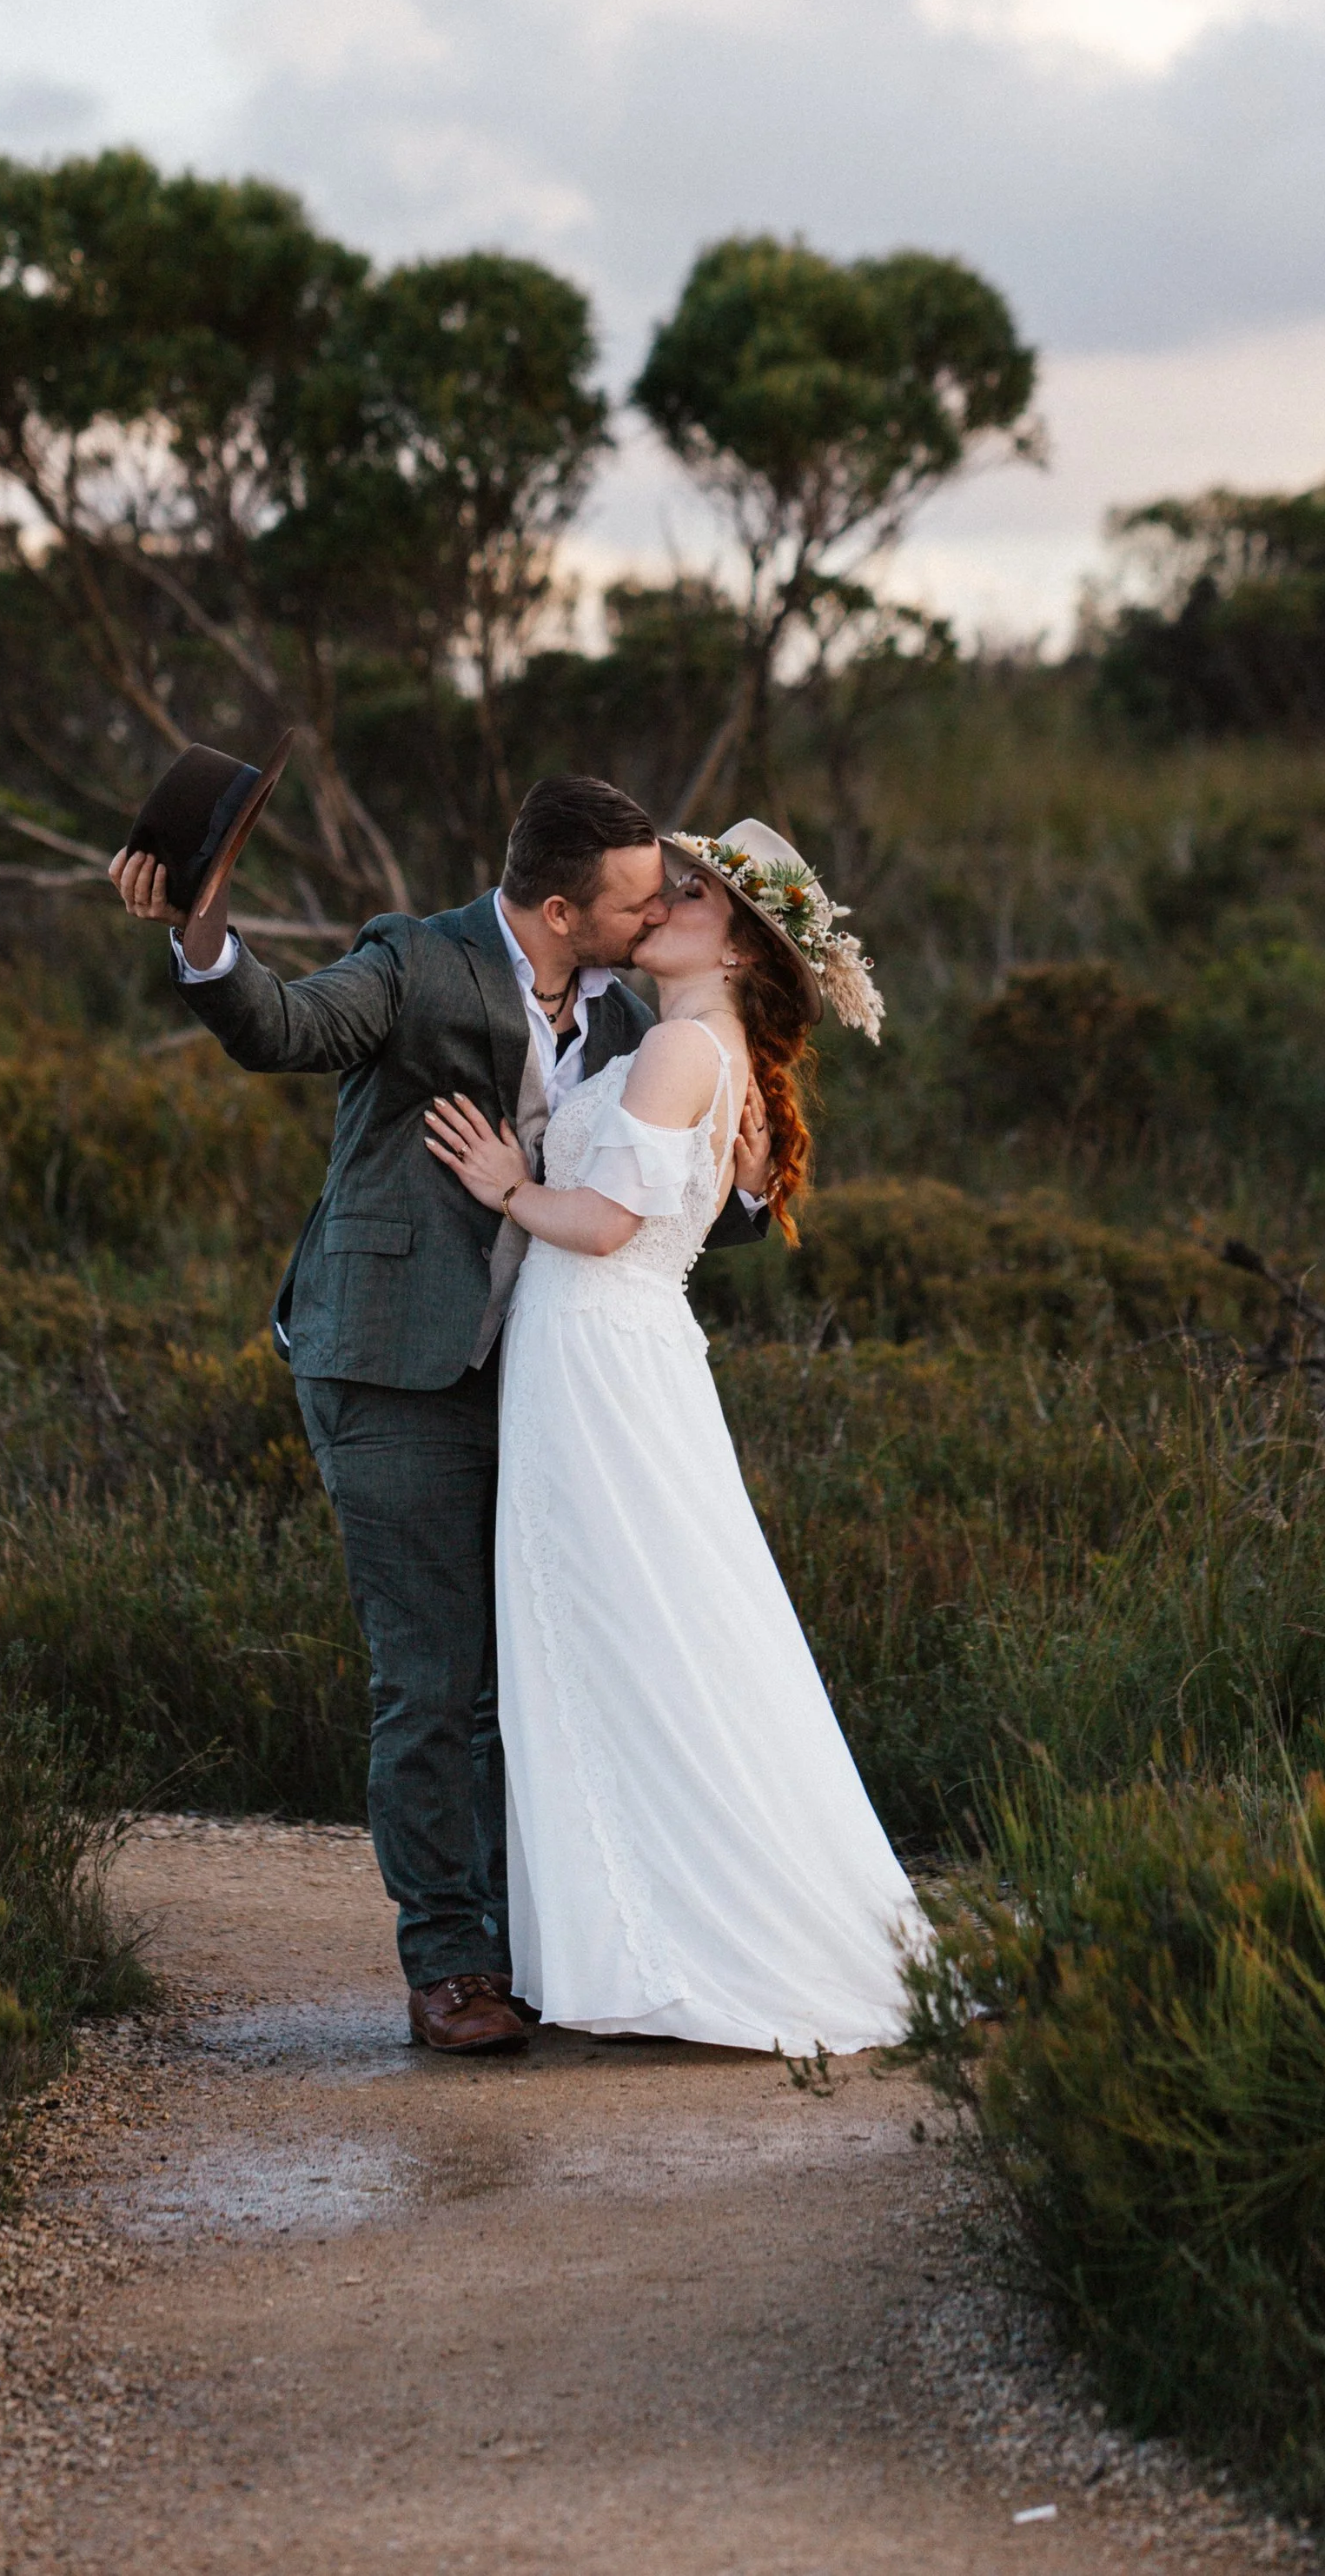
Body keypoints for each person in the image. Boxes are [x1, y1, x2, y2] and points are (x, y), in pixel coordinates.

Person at [109, 776, 772, 2055]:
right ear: (566, 907)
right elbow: (281, 1027)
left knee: (523, 1672)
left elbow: (666, 1179)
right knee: (432, 1672)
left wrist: (749, 1167)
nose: (659, 915)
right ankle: (451, 1965)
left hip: (550, 1385)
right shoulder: (415, 961)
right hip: (388, 1365)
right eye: (641, 899)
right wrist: (201, 933)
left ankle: (534, 1947)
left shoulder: (636, 1010)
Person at [421, 819, 931, 2051]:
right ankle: (630, 1928)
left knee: (619, 1625)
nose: (665, 905)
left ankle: (661, 1941)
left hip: (599, 1347)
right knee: (641, 1625)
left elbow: (602, 1221)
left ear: (744, 947)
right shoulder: (699, 1047)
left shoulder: (682, 1054)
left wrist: (505, 1184)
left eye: (694, 897)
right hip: (614, 1353)